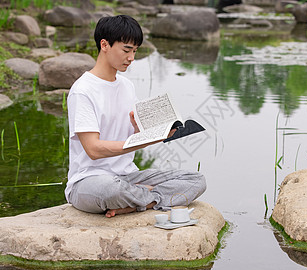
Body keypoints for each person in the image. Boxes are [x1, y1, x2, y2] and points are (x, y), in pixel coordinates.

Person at [65, 15, 206, 218]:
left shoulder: (126, 86)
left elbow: (131, 134)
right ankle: (147, 197)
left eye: (135, 51)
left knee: (195, 179)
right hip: (89, 181)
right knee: (110, 189)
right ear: (104, 45)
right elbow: (93, 150)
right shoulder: (83, 90)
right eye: (126, 50)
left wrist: (146, 132)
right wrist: (140, 143)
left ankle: (139, 202)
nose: (131, 58)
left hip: (128, 176)